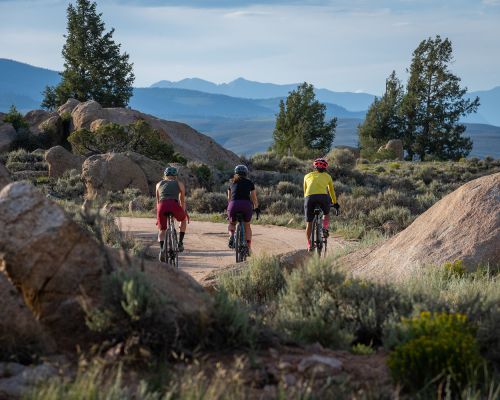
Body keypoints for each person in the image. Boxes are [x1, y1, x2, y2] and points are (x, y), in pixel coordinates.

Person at [303, 158, 340, 251]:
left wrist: (306, 201)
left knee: (309, 223)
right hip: (323, 197)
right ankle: (325, 228)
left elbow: (305, 191)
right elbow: (331, 191)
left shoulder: (306, 176)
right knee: (326, 214)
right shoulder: (328, 176)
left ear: (314, 167)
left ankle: (309, 244)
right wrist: (335, 203)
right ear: (325, 168)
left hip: (309, 198)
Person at [156, 166, 188, 259]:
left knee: (162, 230)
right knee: (183, 220)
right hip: (174, 205)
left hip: (162, 206)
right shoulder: (179, 184)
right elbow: (182, 201)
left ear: (165, 175)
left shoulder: (158, 184)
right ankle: (180, 243)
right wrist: (183, 211)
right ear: (175, 176)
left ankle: (162, 249)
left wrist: (158, 216)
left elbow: (158, 201)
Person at [227, 165, 259, 253]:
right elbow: (254, 198)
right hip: (246, 205)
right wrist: (256, 207)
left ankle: (231, 236)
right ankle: (248, 247)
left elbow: (229, 199)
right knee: (247, 226)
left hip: (234, 204)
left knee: (231, 223)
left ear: (235, 173)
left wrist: (229, 210)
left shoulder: (231, 183)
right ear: (246, 173)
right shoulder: (249, 182)